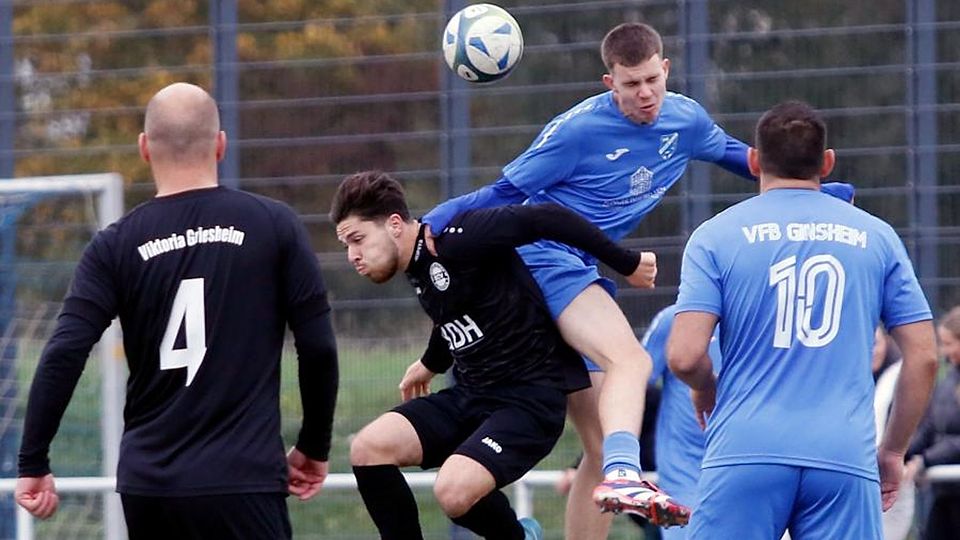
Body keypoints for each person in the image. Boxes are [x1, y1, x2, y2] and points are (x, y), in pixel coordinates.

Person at [421, 22, 852, 537]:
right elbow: (505, 193)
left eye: (652, 80)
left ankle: (610, 472)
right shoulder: (575, 132)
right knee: (631, 360)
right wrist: (439, 216)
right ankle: (628, 473)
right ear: (610, 84)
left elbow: (746, 160)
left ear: (665, 70)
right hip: (544, 260)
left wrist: (817, 189)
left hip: (579, 267)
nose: (644, 94)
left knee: (599, 443)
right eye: (631, 85)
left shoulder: (686, 120)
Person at [14, 83, 339, 539]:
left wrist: (34, 461)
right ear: (221, 144)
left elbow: (65, 350)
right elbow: (318, 347)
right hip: (241, 480)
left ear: (144, 149)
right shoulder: (274, 224)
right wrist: (313, 445)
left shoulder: (115, 244)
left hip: (151, 487)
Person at [330, 171, 678, 540]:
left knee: (452, 491)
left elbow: (545, 217)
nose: (353, 255)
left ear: (395, 224)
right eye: (347, 246)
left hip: (527, 405)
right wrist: (429, 364)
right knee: (369, 448)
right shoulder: (417, 266)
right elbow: (453, 311)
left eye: (358, 240)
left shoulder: (460, 237)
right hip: (473, 395)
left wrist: (625, 262)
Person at [667, 100, 938, 539]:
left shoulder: (715, 236)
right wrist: (892, 450)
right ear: (827, 163)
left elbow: (683, 357)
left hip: (745, 448)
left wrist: (706, 388)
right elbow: (924, 357)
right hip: (843, 456)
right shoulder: (877, 237)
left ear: (754, 161)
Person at [905, 305, 960, 540]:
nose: (944, 352)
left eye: (949, 344)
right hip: (945, 495)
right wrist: (900, 454)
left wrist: (926, 459)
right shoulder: (949, 379)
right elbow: (929, 426)